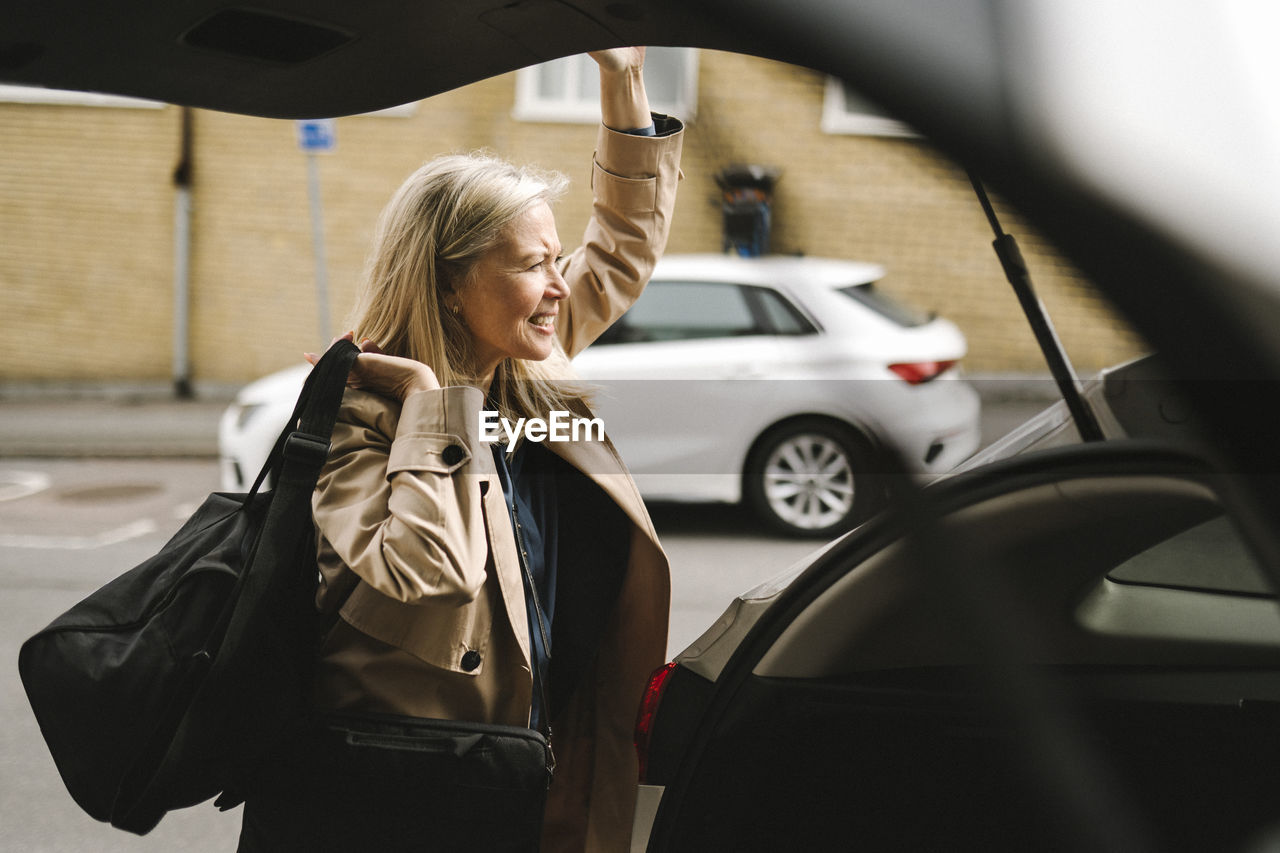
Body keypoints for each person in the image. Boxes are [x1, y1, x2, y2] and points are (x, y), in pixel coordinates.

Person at [238, 47, 681, 852]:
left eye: (557, 262)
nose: (559, 285)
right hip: (403, 808)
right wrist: (426, 404)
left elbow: (623, 241)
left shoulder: (517, 363)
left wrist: (621, 78)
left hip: (529, 776)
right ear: (449, 283)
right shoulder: (358, 420)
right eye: (532, 264)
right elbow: (422, 575)